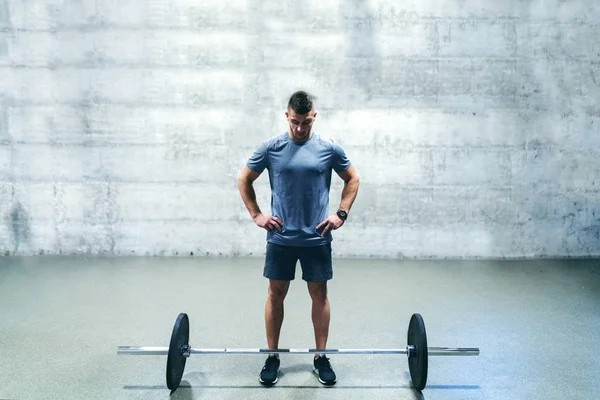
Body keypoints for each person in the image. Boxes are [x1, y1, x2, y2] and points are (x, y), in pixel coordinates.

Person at [237, 90, 360, 387]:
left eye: (305, 122)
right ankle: (272, 355)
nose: (300, 128)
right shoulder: (272, 147)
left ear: (314, 116)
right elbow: (244, 178)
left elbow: (352, 178)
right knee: (275, 295)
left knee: (319, 296)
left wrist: (340, 214)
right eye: (295, 122)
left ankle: (320, 357)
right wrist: (257, 215)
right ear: (287, 116)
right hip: (281, 237)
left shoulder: (329, 148)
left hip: (317, 238)